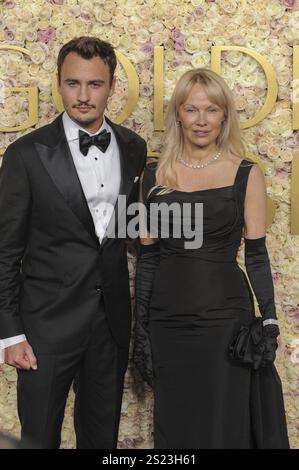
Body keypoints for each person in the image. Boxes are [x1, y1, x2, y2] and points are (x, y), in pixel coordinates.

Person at [0, 36, 147, 449]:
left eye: (95, 85)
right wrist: (10, 334)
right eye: (73, 84)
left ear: (112, 86)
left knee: (102, 442)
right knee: (39, 439)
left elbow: (127, 229)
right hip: (44, 328)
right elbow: (5, 250)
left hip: (110, 325)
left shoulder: (134, 147)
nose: (83, 96)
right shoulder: (25, 154)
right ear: (59, 84)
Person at [133, 68, 289, 449]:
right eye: (191, 109)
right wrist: (141, 327)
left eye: (211, 110)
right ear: (178, 115)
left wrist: (268, 318)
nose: (201, 120)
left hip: (225, 321)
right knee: (175, 424)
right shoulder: (152, 175)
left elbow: (256, 254)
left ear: (224, 116)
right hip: (167, 322)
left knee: (224, 421)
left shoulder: (246, 173)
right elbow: (148, 259)